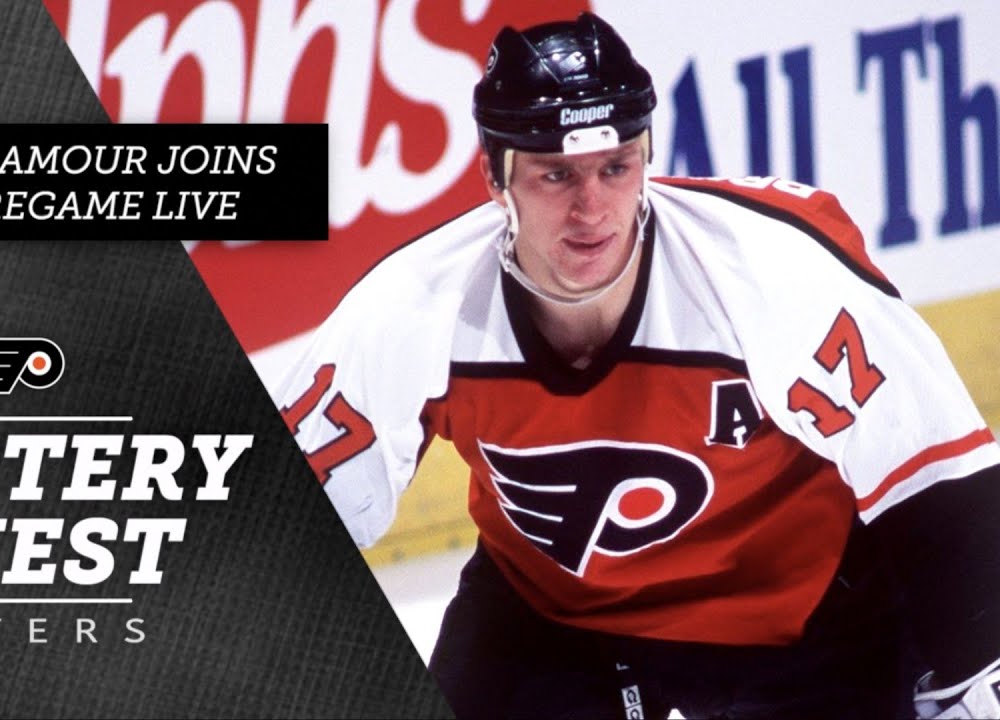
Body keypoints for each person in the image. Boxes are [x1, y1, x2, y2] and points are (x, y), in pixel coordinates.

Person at [276, 12, 1000, 719]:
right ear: (497, 180)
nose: (593, 209)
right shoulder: (414, 307)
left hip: (805, 622)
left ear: (646, 159)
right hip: (550, 621)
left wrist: (971, 671)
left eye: (615, 167)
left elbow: (937, 479)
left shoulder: (769, 274)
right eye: (555, 175)